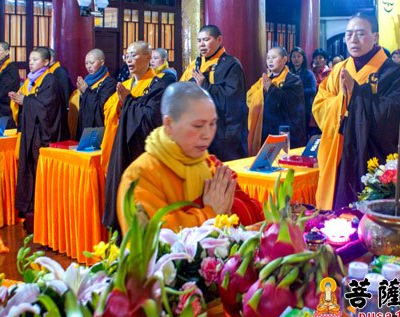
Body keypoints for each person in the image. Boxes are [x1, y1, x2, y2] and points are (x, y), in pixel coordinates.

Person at [116, 82, 263, 234]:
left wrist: (226, 207)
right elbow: (155, 240)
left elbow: (255, 213)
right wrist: (211, 213)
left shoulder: (211, 164)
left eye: (212, 124)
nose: (207, 135)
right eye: (198, 125)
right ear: (169, 124)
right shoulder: (141, 177)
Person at [312, 12, 400, 210]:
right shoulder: (339, 70)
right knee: (340, 212)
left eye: (361, 34)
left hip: (371, 154)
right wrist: (343, 101)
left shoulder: (392, 71)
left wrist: (357, 94)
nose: (353, 39)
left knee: (369, 214)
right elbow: (319, 104)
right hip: (339, 150)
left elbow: (392, 115)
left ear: (375, 37)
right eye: (349, 34)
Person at [102, 41, 175, 234]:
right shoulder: (124, 84)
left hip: (141, 152)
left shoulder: (159, 84)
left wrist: (129, 103)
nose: (129, 60)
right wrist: (121, 106)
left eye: (134, 55)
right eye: (127, 56)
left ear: (148, 57)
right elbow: (109, 112)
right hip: (120, 149)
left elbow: (152, 118)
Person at [8, 47, 69, 232]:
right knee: (28, 172)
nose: (31, 62)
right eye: (30, 59)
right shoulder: (31, 81)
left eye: (35, 59)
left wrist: (25, 101)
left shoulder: (50, 81)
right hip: (30, 134)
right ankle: (30, 212)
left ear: (46, 62)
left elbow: (47, 109)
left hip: (43, 137)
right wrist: (21, 100)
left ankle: (41, 214)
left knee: (38, 174)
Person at [180, 25, 248, 161]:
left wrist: (205, 86)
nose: (202, 44)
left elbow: (232, 100)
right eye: (199, 41)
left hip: (224, 133)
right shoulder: (195, 65)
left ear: (219, 40)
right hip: (199, 130)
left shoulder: (231, 65)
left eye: (206, 40)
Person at [247, 46, 306, 155]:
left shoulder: (293, 80)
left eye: (274, 57)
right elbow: (250, 97)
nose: (270, 60)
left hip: (284, 130)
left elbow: (289, 104)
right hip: (266, 129)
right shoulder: (264, 80)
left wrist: (271, 88)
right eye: (268, 58)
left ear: (284, 60)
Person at [72, 48, 117, 140]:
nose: (89, 66)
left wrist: (86, 92)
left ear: (102, 62)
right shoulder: (87, 80)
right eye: (86, 63)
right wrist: (81, 95)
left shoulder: (109, 83)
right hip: (83, 124)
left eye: (92, 63)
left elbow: (101, 105)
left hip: (97, 128)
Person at [288, 47, 317, 137]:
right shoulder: (287, 73)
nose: (296, 59)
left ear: (303, 58)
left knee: (303, 132)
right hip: (289, 108)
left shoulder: (309, 73)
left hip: (304, 107)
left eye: (298, 56)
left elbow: (312, 90)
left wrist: (297, 92)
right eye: (293, 57)